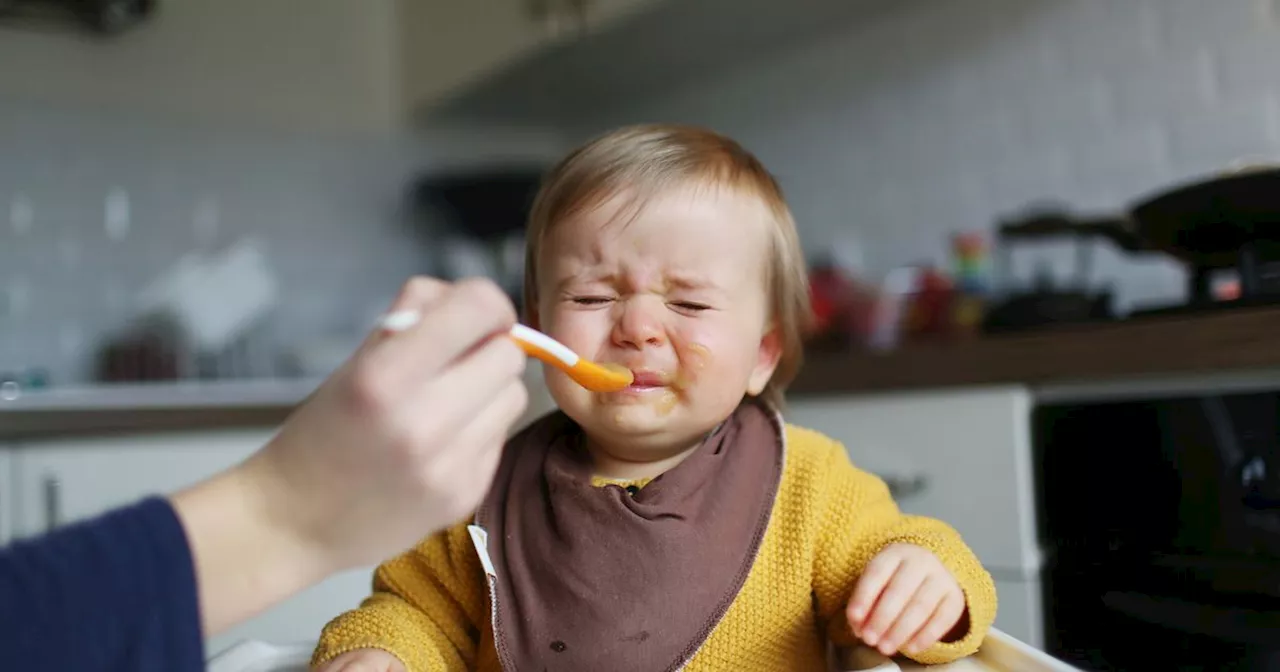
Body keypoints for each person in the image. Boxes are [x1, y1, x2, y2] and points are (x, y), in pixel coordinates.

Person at [310, 124, 998, 672]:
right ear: (540, 326)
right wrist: (383, 652)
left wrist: (927, 578)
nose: (636, 327)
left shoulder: (809, 487)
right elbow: (415, 610)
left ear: (763, 353)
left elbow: (901, 548)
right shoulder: (479, 490)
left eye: (690, 301)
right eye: (592, 296)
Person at [0, 276, 530, 672]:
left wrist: (286, 511)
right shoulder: (488, 509)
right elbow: (425, 615)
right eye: (589, 297)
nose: (618, 329)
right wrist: (383, 648)